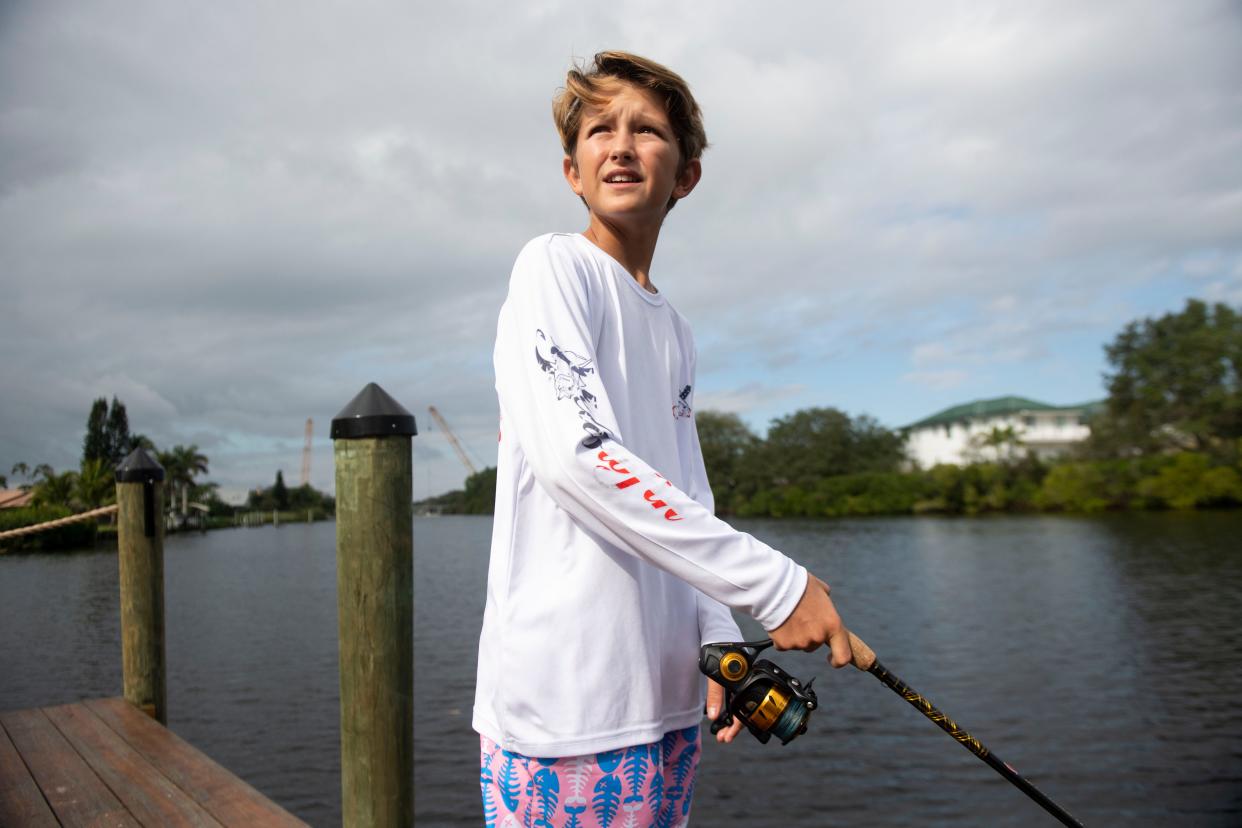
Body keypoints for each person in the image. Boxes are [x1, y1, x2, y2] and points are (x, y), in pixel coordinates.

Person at [474, 51, 852, 828]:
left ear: (685, 175)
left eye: (646, 131)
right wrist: (777, 587)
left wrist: (717, 636)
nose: (619, 145)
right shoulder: (553, 267)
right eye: (598, 130)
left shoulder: (674, 330)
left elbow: (686, 494)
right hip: (567, 714)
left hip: (665, 701)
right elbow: (577, 457)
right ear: (572, 171)